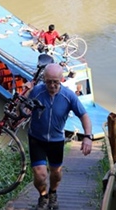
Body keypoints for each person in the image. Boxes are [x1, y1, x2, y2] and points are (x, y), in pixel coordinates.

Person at [27, 63, 92, 210]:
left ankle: (53, 193)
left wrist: (87, 136)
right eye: (48, 81)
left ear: (61, 79)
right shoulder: (36, 91)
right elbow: (20, 110)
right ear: (44, 79)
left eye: (55, 81)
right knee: (40, 174)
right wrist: (25, 92)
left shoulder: (68, 96)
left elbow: (84, 115)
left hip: (56, 141)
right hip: (36, 139)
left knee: (56, 173)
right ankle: (43, 197)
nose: (52, 85)